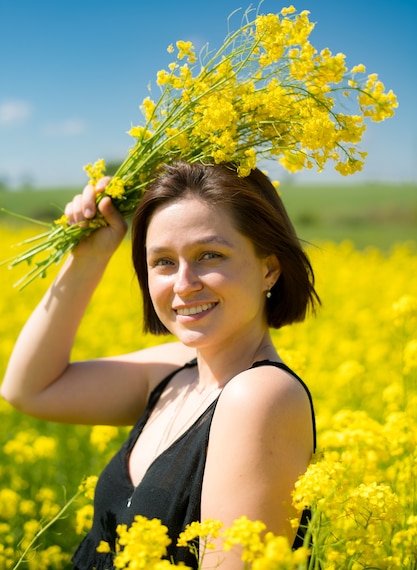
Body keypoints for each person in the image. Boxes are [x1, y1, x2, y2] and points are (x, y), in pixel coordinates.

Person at [1, 161, 320, 570]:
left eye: (210, 255)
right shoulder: (179, 370)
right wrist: (87, 257)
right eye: (164, 262)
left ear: (269, 268)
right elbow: (28, 389)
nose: (184, 284)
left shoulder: (257, 397)